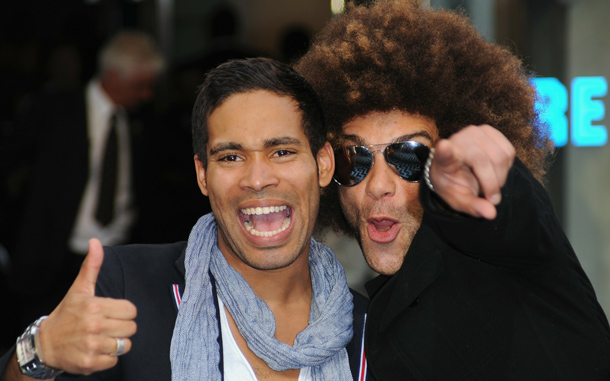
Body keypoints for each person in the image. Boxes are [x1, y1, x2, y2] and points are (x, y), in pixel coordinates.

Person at [296, 0, 610, 379]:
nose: (378, 185)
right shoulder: (357, 322)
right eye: (354, 159)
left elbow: (511, 219)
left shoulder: (507, 263)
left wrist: (479, 182)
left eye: (410, 157)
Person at [0, 57, 368, 380]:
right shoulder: (128, 289)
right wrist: (40, 352)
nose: (257, 179)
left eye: (282, 151)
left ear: (323, 164)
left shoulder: (373, 327)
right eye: (230, 157)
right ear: (202, 175)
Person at [0, 30, 164, 331]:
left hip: (117, 256)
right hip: (54, 260)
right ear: (114, 77)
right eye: (140, 86)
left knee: (106, 353)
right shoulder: (54, 109)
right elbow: (11, 164)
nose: (146, 94)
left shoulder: (144, 122)